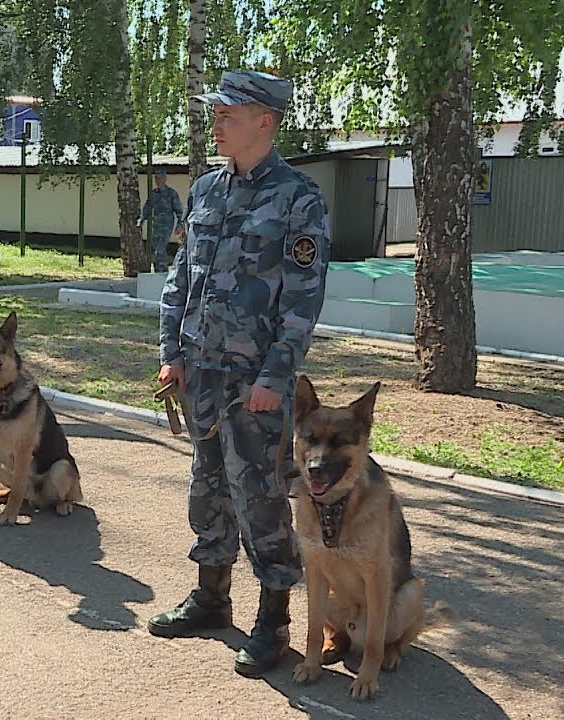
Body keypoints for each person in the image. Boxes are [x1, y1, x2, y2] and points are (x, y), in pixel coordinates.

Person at [147, 70, 331, 679]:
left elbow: (302, 302)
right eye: (216, 113)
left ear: (265, 122)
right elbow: (181, 280)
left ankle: (273, 622)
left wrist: (276, 377)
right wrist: (171, 350)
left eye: (228, 114)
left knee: (263, 496)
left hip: (254, 381)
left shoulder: (299, 200)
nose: (216, 123)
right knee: (208, 488)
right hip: (200, 373)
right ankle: (210, 597)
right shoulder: (204, 191)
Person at [137, 170, 183, 273]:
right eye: (156, 178)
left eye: (160, 178)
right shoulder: (154, 193)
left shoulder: (171, 193)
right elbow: (147, 207)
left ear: (164, 179)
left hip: (166, 226)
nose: (157, 180)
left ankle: (163, 271)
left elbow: (179, 211)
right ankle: (158, 271)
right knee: (154, 250)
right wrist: (141, 219)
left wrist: (180, 225)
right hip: (156, 225)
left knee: (160, 250)